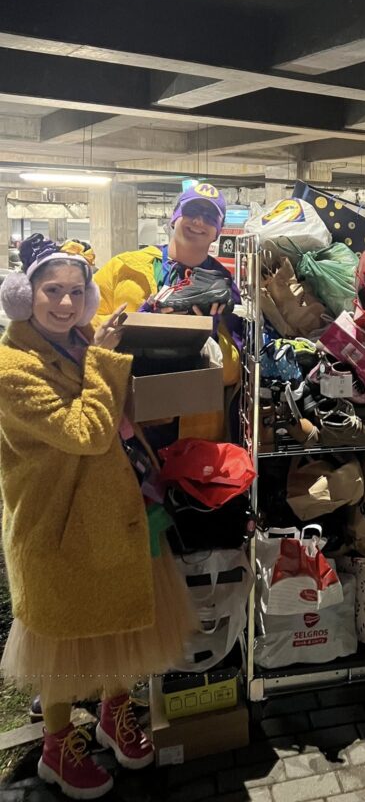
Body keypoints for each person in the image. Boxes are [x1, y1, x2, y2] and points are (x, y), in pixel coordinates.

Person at [0, 235, 194, 799]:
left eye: (75, 291)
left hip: (116, 511)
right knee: (62, 642)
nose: (65, 303)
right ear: (24, 296)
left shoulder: (81, 339)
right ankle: (57, 746)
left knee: (121, 624)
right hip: (57, 523)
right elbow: (84, 431)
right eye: (51, 291)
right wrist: (107, 360)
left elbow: (111, 412)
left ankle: (114, 713)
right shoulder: (11, 368)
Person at [94, 181, 241, 439]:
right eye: (191, 211)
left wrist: (210, 337)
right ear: (175, 216)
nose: (199, 221)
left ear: (217, 231)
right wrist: (135, 326)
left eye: (209, 217)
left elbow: (231, 374)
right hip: (125, 415)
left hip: (192, 426)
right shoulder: (124, 268)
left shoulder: (223, 287)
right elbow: (83, 332)